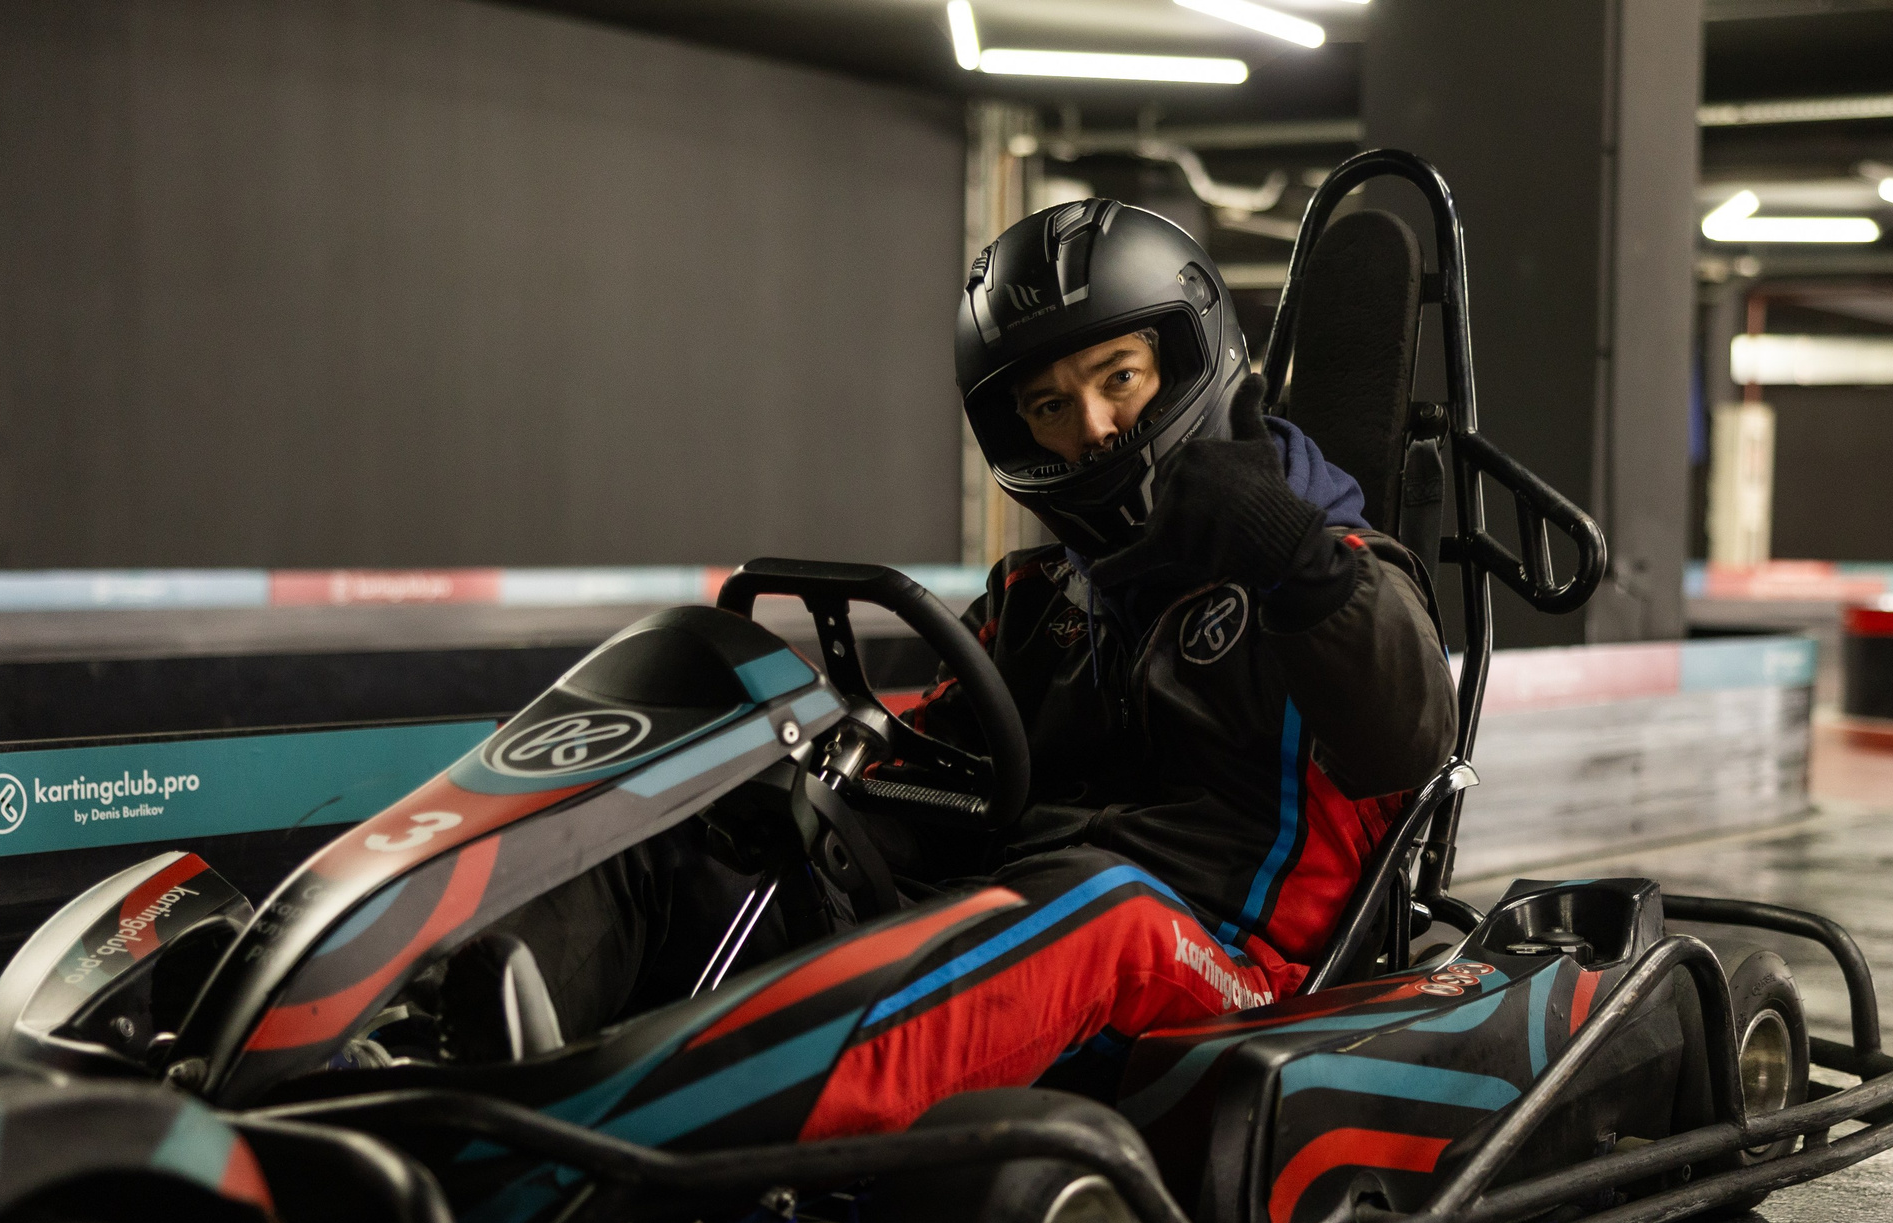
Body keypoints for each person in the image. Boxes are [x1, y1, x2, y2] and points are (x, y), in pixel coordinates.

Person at [460, 199, 1455, 1142]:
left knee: (1096, 904)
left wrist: (1287, 554)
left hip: (1236, 966)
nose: (1096, 431)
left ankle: (656, 1139)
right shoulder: (1045, 598)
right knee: (706, 831)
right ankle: (449, 1060)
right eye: (1051, 407)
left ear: (1193, 358)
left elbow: (1407, 735)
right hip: (1010, 919)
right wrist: (801, 802)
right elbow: (929, 770)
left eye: (1120, 379)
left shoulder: (1334, 574)